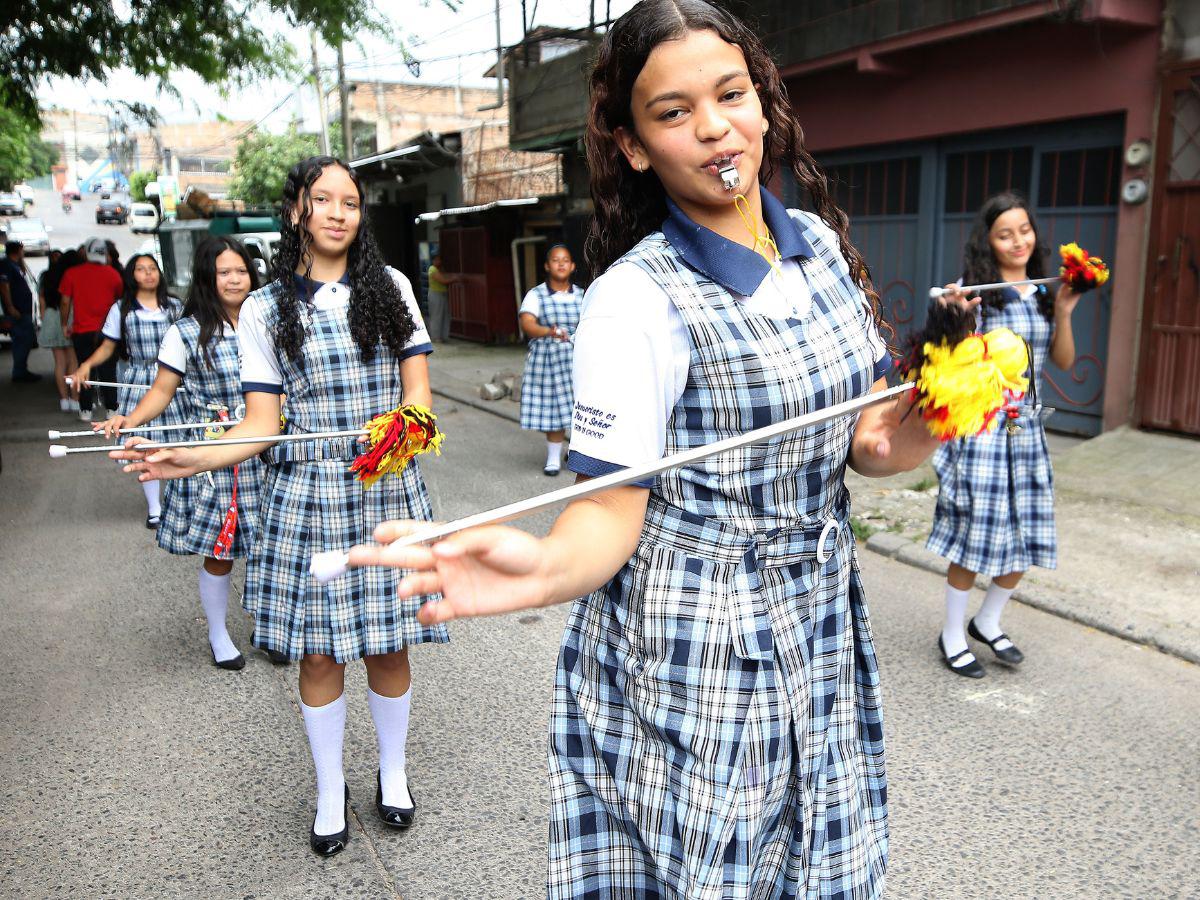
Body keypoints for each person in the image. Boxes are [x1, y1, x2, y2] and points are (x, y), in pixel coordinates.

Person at [347, 2, 946, 895]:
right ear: (633, 144)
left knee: (823, 851)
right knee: (716, 868)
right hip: (698, 635)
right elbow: (611, 505)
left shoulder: (815, 245)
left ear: (764, 100)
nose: (714, 129)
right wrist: (547, 567)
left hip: (818, 607)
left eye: (731, 94)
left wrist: (945, 407)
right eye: (672, 113)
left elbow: (869, 446)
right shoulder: (634, 301)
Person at [115, 156, 445, 856]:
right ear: (297, 209)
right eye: (321, 199)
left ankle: (392, 773)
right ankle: (329, 790)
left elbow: (419, 402)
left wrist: (389, 446)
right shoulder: (265, 308)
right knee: (318, 653)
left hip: (384, 484)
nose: (336, 212)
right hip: (306, 494)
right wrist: (189, 456)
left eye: (350, 202)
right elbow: (259, 425)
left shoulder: (391, 287)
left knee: (389, 643)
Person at [927, 192, 1081, 678]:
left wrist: (1068, 310)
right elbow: (947, 355)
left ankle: (987, 620)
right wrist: (954, 316)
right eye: (1004, 233)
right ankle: (952, 632)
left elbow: (1062, 362)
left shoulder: (1044, 291)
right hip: (983, 427)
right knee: (976, 532)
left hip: (1025, 428)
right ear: (988, 242)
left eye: (1024, 230)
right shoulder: (978, 289)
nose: (1018, 241)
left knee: (1029, 529)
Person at [100, 236, 268, 668]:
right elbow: (161, 390)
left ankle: (270, 627)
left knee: (274, 548)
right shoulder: (186, 331)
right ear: (208, 278)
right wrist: (130, 420)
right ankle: (218, 636)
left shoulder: (267, 321)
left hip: (268, 450)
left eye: (241, 270)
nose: (234, 279)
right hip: (217, 457)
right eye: (224, 272)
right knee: (222, 551)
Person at [71, 254, 185, 528]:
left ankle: (179, 503)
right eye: (141, 269)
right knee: (143, 444)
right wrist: (85, 365)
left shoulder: (175, 306)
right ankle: (155, 508)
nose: (148, 274)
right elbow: (108, 347)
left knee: (178, 439)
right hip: (139, 381)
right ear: (131, 275)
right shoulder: (121, 309)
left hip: (174, 382)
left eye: (152, 268)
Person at [518, 243, 585, 475]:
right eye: (556, 260)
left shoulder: (583, 295)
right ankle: (554, 458)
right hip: (548, 359)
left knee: (582, 407)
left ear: (573, 266)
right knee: (554, 408)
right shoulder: (536, 294)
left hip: (578, 358)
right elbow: (527, 324)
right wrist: (549, 332)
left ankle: (575, 450)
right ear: (547, 266)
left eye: (565, 260)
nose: (561, 264)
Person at [59, 237, 124, 420]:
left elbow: (65, 302)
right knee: (108, 371)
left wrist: (64, 324)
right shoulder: (113, 274)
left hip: (81, 330)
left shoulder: (72, 273)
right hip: (108, 332)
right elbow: (119, 299)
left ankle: (85, 409)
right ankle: (112, 409)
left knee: (84, 369)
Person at [38, 249, 80, 410]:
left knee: (59, 363)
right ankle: (75, 399)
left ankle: (64, 400)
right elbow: (68, 301)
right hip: (68, 317)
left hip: (50, 316)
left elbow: (41, 299)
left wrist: (44, 318)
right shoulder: (70, 276)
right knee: (73, 361)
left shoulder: (46, 276)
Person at [0, 240, 41, 382]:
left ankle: (21, 369)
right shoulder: (6, 265)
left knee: (26, 339)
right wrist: (10, 307)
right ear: (17, 250)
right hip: (17, 311)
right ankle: (19, 372)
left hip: (23, 310)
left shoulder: (15, 265)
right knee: (22, 340)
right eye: (22, 250)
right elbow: (4, 286)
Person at [425, 251, 454, 342]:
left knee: (445, 315)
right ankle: (436, 336)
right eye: (437, 259)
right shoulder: (432, 269)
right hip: (435, 294)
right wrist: (455, 279)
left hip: (442, 294)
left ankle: (444, 335)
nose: (439, 261)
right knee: (436, 315)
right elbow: (443, 281)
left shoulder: (439, 269)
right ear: (433, 260)